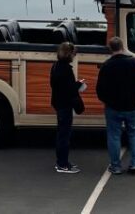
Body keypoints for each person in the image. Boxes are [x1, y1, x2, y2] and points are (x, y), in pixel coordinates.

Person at [96, 37, 135, 175]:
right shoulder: (133, 62)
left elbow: (100, 89)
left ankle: (116, 166)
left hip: (113, 107)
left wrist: (106, 101)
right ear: (122, 47)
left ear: (110, 49)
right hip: (132, 106)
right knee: (134, 132)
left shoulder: (106, 66)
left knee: (114, 135)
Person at [50, 41, 86, 173]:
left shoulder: (55, 66)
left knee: (62, 134)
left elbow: (58, 86)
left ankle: (62, 162)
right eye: (73, 54)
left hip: (58, 103)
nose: (74, 56)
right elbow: (69, 89)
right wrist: (78, 84)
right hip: (65, 104)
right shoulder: (66, 69)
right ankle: (63, 165)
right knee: (64, 136)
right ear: (69, 54)